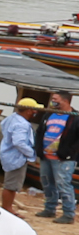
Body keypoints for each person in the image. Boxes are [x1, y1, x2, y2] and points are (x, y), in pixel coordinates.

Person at [36, 90, 75, 223]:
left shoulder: (74, 117)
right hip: (46, 156)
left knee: (63, 184)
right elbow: (40, 132)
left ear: (65, 101)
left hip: (64, 159)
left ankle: (69, 214)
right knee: (47, 183)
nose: (53, 101)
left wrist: (70, 153)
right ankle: (50, 208)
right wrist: (39, 150)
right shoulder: (48, 115)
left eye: (55, 99)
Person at [0, 97, 40, 214]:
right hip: (16, 157)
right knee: (11, 185)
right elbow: (19, 142)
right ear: (28, 111)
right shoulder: (22, 124)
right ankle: (7, 208)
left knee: (12, 184)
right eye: (34, 110)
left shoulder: (11, 118)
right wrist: (31, 154)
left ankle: (7, 207)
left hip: (8, 154)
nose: (35, 113)